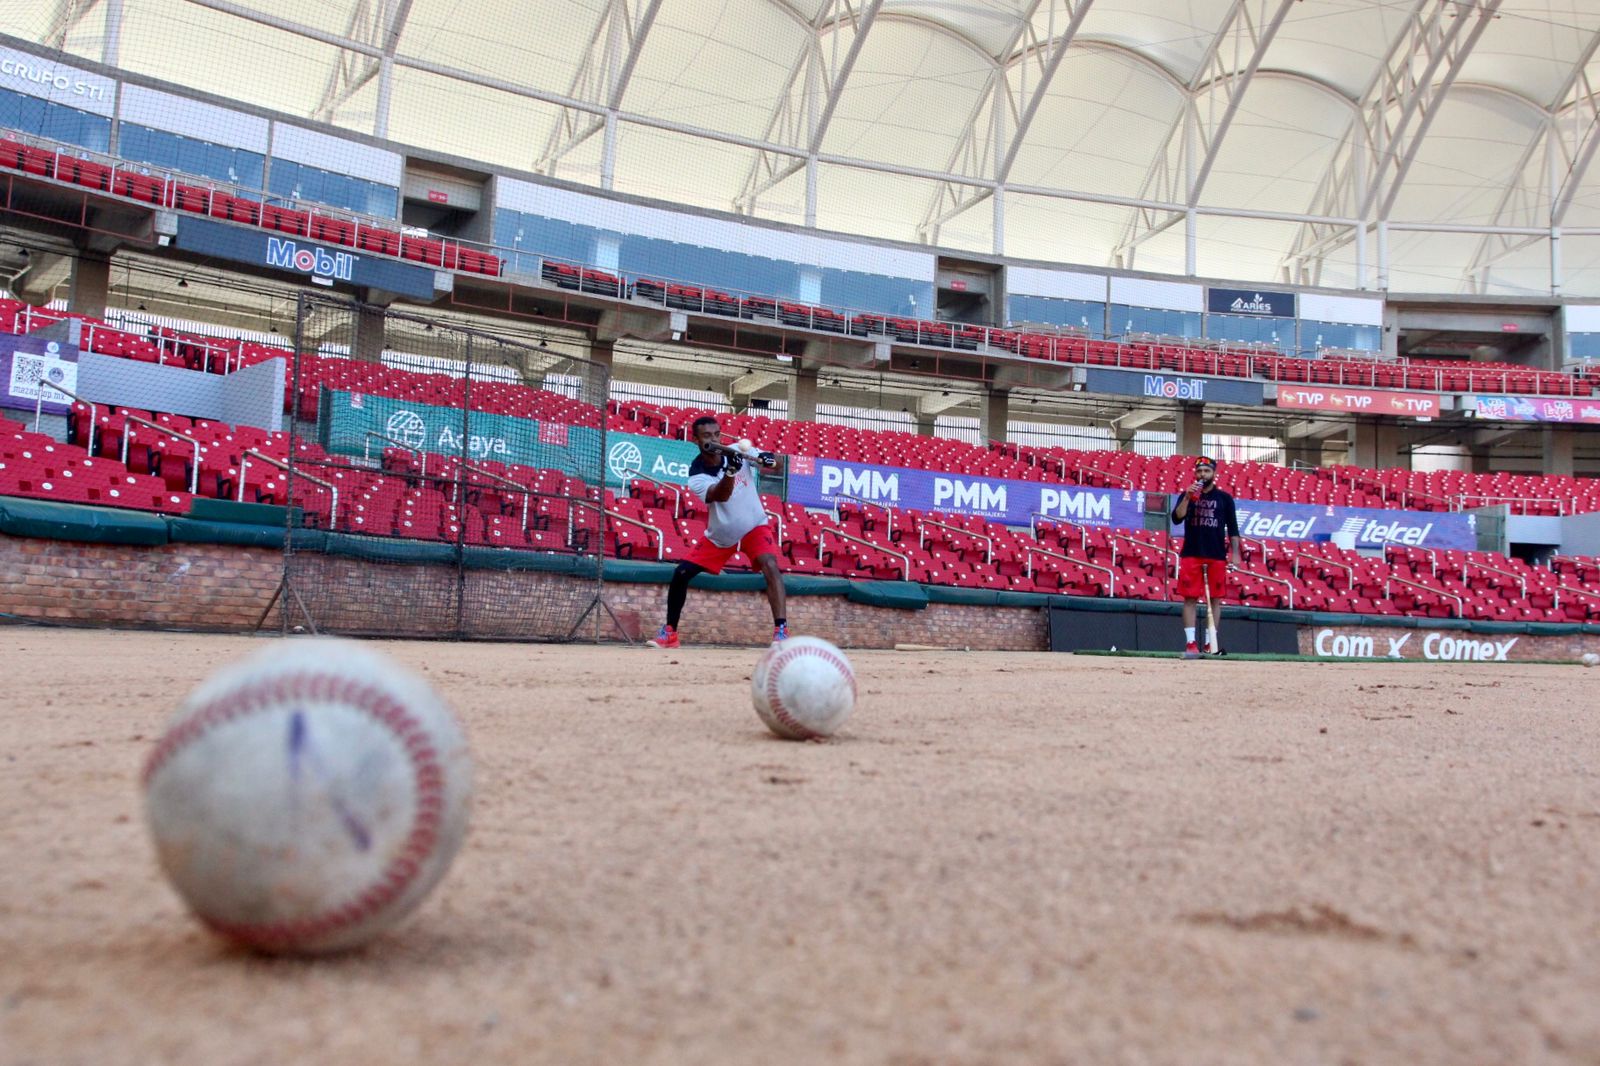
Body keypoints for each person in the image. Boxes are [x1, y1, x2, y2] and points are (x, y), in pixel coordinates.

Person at [647, 415, 787, 649]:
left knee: (770, 564)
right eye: (706, 436)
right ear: (695, 440)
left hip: (754, 525)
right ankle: (670, 634)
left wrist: (769, 459)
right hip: (722, 535)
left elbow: (778, 464)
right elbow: (721, 495)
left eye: (716, 434)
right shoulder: (697, 475)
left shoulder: (738, 450)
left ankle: (781, 631)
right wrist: (731, 471)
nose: (713, 440)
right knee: (681, 573)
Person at [1169, 455, 1241, 659]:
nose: (1203, 474)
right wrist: (1187, 497)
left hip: (1216, 554)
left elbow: (1233, 528)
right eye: (1199, 471)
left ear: (1214, 473)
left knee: (1215, 599)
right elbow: (1176, 518)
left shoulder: (1224, 498)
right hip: (1192, 552)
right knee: (1190, 598)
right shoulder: (1187, 494)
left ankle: (1211, 643)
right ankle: (1191, 643)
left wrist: (1235, 554)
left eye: (1207, 471)